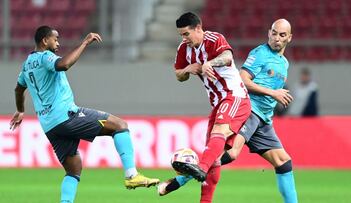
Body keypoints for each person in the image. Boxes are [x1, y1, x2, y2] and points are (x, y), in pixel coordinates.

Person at [9, 25, 159, 203]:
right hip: (66, 115)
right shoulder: (46, 57)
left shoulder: (26, 65)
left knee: (73, 170)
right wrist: (85, 43)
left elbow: (18, 89)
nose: (58, 43)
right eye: (55, 39)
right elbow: (63, 64)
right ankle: (131, 175)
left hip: (50, 126)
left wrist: (20, 110)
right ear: (44, 40)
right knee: (120, 126)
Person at [159, 19, 298, 203]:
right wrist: (273, 93)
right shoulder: (260, 54)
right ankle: (180, 180)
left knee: (283, 162)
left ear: (289, 38)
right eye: (274, 33)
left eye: (282, 35)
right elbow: (244, 80)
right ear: (268, 33)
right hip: (250, 111)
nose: (277, 39)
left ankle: (183, 178)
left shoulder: (284, 63)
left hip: (264, 119)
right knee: (230, 153)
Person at [167, 12, 251, 203]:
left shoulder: (214, 39)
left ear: (198, 28)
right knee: (212, 154)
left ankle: (200, 169)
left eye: (186, 34)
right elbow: (178, 74)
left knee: (215, 141)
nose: (184, 38)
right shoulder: (184, 49)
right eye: (181, 35)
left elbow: (228, 56)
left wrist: (209, 64)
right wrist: (188, 69)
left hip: (234, 96)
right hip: (217, 104)